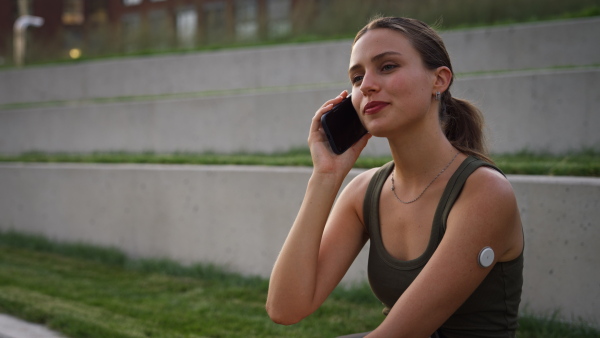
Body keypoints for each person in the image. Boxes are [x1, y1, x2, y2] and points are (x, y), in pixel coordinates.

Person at [266, 16, 524, 338]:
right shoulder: (364, 192)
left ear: (439, 80)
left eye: (387, 67)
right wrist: (325, 176)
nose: (367, 85)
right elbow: (285, 307)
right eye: (357, 78)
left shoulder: (485, 193)